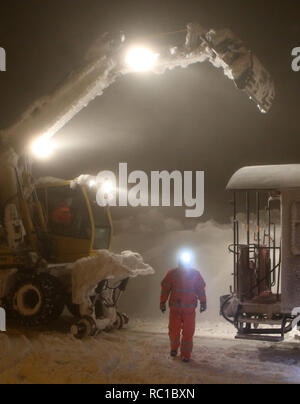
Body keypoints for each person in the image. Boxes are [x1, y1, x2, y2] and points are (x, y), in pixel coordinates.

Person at [160, 253, 207, 363]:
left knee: (188, 332)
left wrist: (203, 301)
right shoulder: (173, 273)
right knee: (174, 331)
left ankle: (186, 354)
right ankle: (174, 349)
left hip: (188, 310)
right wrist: (162, 301)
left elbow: (200, 289)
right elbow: (165, 288)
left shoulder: (195, 274)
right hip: (176, 309)